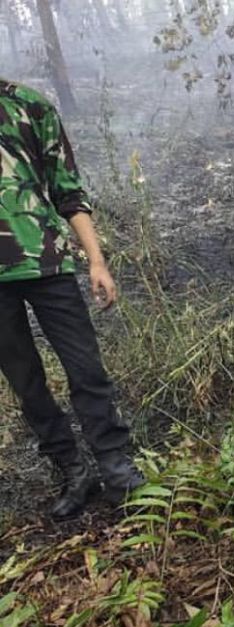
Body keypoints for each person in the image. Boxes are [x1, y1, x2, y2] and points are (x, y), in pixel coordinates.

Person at [0, 80, 144, 518]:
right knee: (26, 382)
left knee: (86, 368)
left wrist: (96, 261)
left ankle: (115, 465)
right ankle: (72, 469)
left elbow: (68, 191)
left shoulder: (27, 106)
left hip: (48, 263)